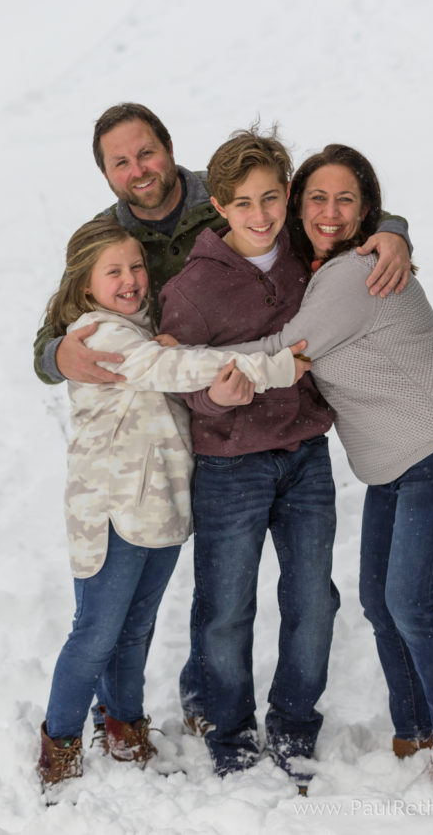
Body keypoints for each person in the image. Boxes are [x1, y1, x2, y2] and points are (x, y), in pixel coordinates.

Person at [217, 144, 433, 779]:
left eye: (346, 199)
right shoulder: (325, 265)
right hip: (401, 458)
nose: (330, 211)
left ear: (367, 208)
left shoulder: (354, 272)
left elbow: (285, 349)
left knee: (412, 599)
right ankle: (414, 731)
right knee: (380, 596)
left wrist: (188, 356)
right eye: (316, 197)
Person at [37, 216, 308, 793]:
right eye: (114, 271)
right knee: (95, 634)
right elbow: (172, 368)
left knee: (135, 632)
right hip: (112, 511)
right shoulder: (99, 335)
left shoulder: (143, 331)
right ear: (86, 285)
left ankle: (123, 725)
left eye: (137, 266)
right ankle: (59, 739)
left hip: (158, 510)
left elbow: (170, 367)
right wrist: (273, 367)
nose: (131, 279)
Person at [157, 129, 344, 787]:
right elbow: (175, 375)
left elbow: (365, 213)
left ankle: (294, 721)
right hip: (230, 466)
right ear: (220, 209)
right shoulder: (193, 290)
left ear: (287, 195)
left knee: (312, 598)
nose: (260, 215)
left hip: (305, 455)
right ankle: (228, 725)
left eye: (271, 198)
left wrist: (394, 235)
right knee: (227, 605)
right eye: (243, 204)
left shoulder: (305, 254)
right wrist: (212, 397)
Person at [33, 102, 413, 388]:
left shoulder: (230, 194)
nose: (138, 170)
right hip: (169, 406)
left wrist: (392, 231)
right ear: (105, 173)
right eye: (121, 162)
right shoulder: (105, 237)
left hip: (261, 383)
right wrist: (56, 356)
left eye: (147, 153)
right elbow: (56, 322)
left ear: (168, 147)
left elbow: (325, 213)